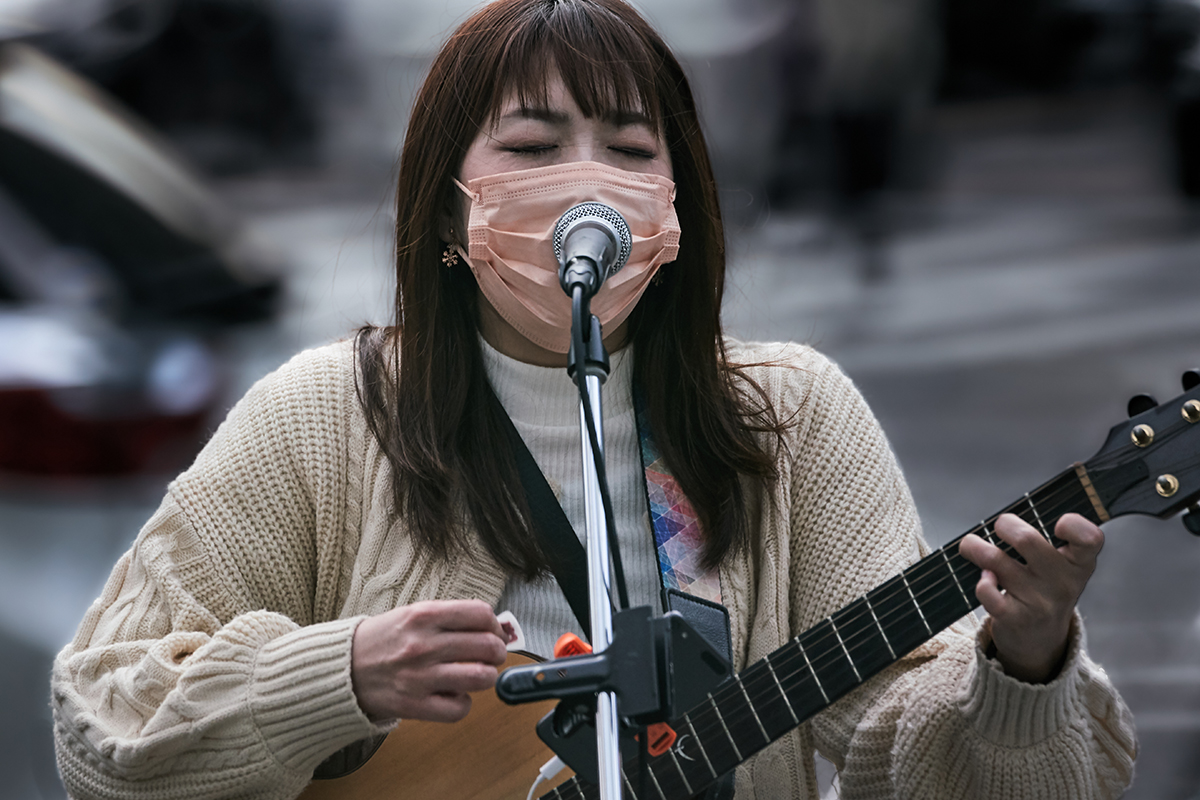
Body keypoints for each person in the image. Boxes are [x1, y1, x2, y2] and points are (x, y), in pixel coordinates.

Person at [50, 1, 1137, 798]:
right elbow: (105, 721)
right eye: (532, 146)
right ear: (447, 209)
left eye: (627, 149)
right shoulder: (326, 414)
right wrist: (340, 676)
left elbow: (913, 754)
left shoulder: (792, 417)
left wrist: (1022, 666)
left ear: (673, 209)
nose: (585, 182)